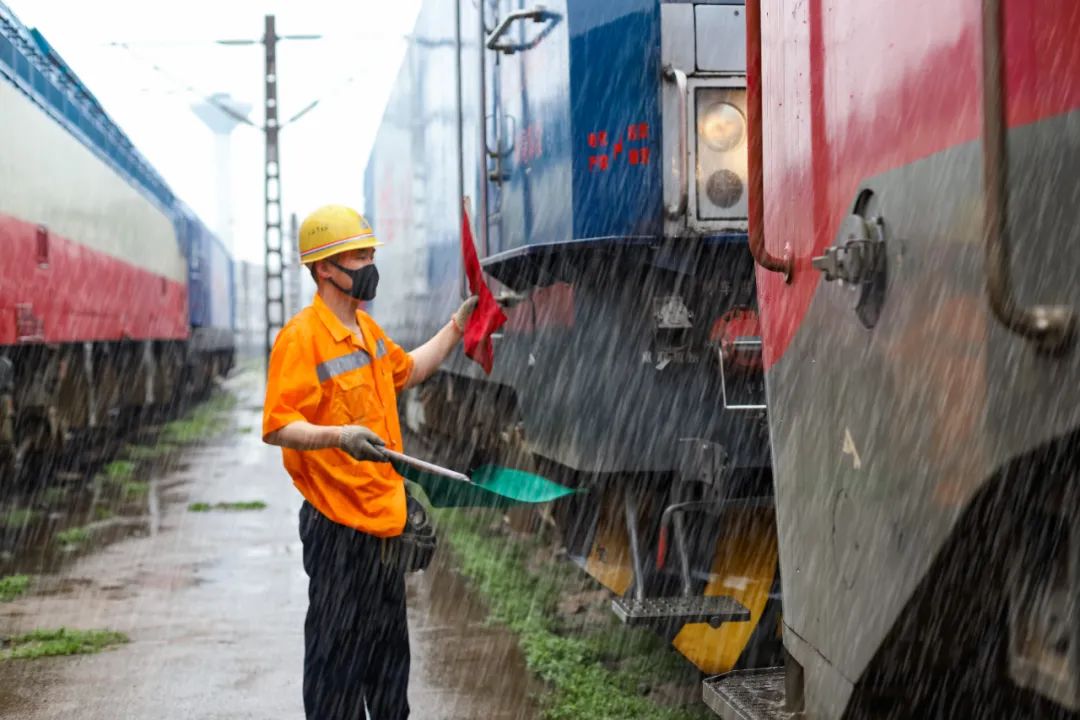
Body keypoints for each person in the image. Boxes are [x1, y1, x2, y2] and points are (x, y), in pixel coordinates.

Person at [261, 204, 477, 720]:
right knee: (336, 666)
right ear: (325, 268)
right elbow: (277, 425)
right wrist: (339, 436)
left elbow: (412, 368)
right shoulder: (302, 338)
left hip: (384, 524)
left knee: (387, 667)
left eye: (370, 253)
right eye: (359, 255)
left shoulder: (368, 332)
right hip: (336, 526)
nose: (369, 263)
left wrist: (455, 327)